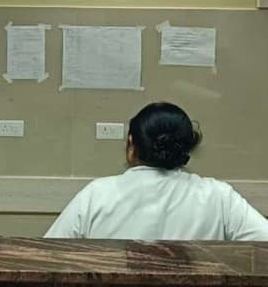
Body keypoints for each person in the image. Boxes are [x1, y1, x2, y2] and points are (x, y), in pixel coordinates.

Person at [45, 102, 268, 240]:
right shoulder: (218, 196)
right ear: (187, 148)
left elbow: (49, 255)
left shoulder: (97, 194)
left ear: (131, 144)